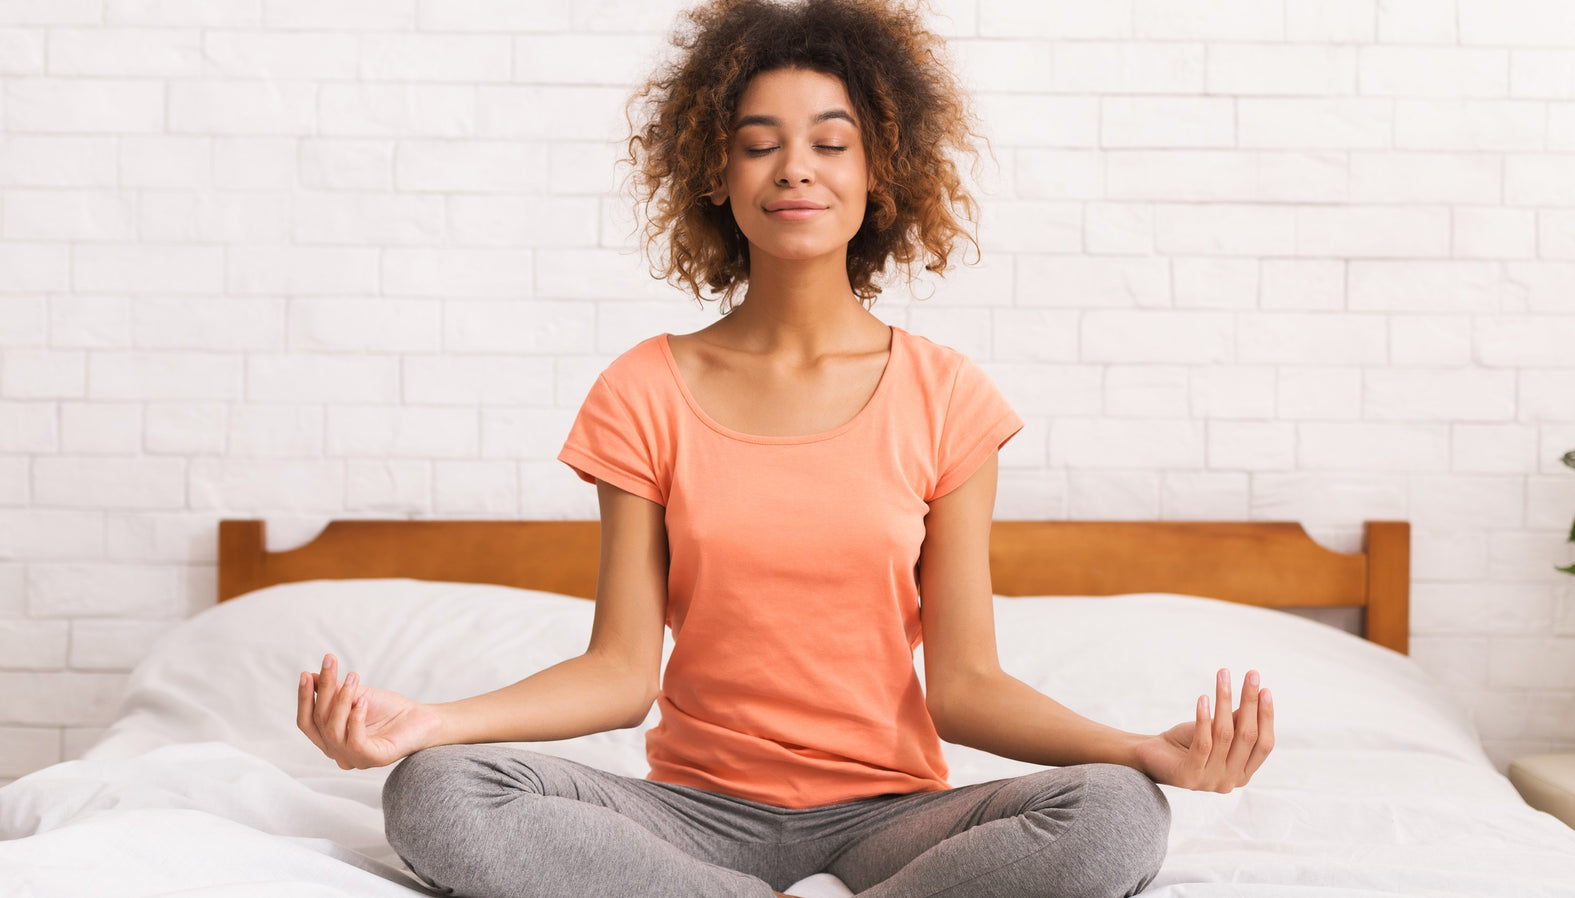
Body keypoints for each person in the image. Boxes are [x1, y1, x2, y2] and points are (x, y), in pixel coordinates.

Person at [295, 1, 1275, 896]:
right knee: (435, 790)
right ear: (717, 176)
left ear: (877, 170)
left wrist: (1143, 749)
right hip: (688, 819)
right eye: (759, 144)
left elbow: (968, 686)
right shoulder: (644, 388)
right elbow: (620, 671)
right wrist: (433, 721)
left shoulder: (947, 396)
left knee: (1113, 813)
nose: (795, 168)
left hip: (891, 820)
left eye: (830, 143)